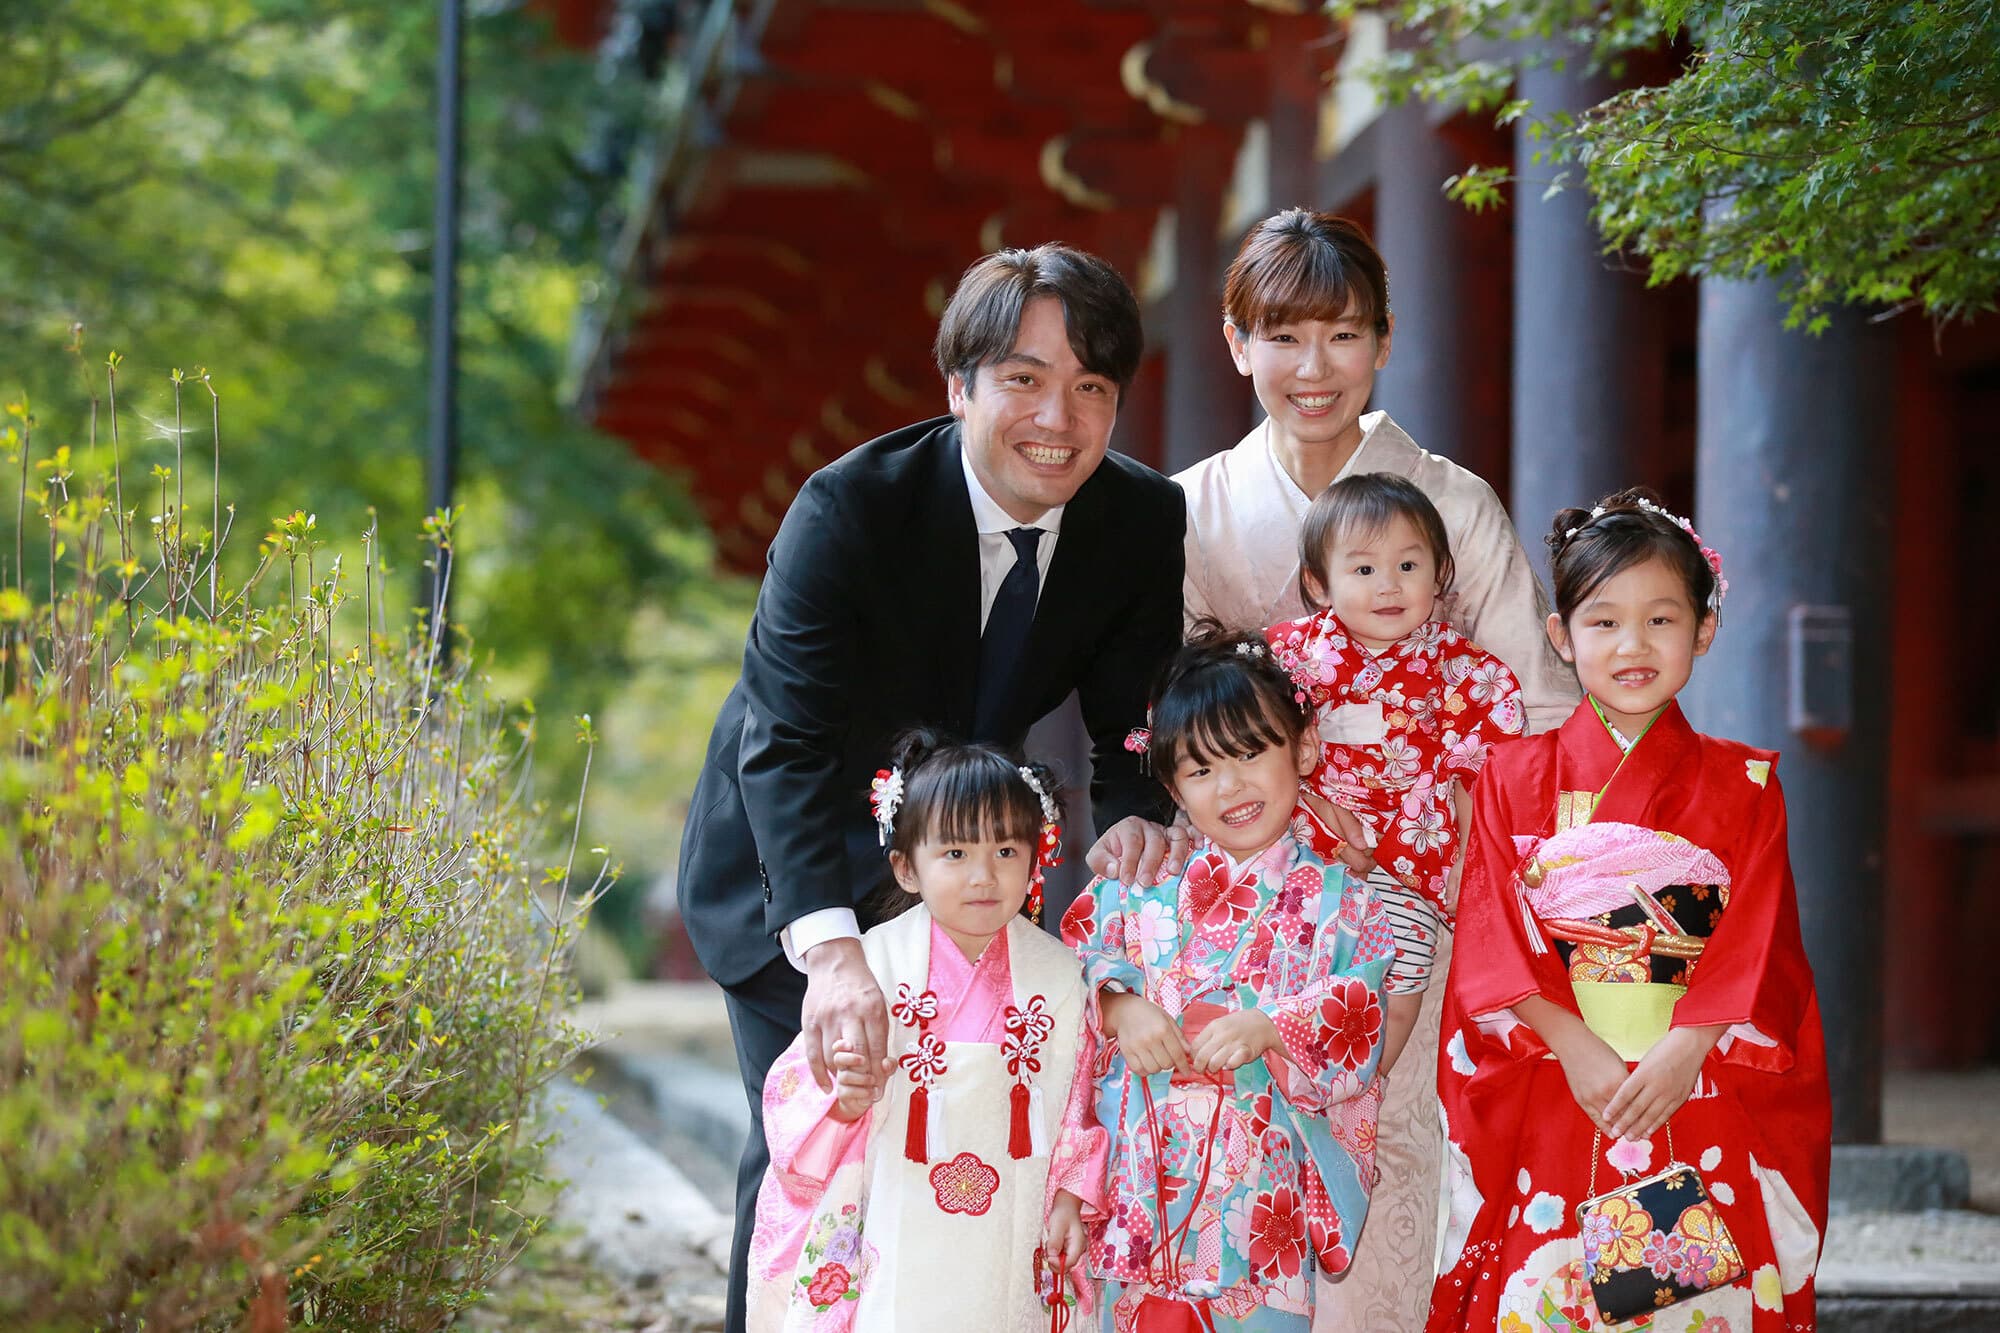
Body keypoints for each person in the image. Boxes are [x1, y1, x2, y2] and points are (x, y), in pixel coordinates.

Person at [678, 242, 1185, 1333]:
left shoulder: (1137, 519)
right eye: (1023, 379)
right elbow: (786, 742)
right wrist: (830, 954)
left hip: (966, 875)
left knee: (980, 1176)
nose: (1058, 417)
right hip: (794, 862)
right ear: (958, 386)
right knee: (814, 1166)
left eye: (1091, 388)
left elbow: (1128, 723)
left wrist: (1140, 820)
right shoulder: (848, 508)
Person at [1141, 207, 1579, 1333]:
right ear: (1235, 343)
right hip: (1243, 893)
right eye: (1280, 337)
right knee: (1235, 1125)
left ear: (1382, 341)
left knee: (1388, 1133)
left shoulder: (1451, 499)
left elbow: (1532, 706)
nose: (1311, 368)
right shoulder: (1190, 510)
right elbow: (1161, 713)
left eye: (1339, 335)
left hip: (1416, 881)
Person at [1426, 489, 1831, 1331]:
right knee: (1550, 1295)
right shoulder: (1510, 775)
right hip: (1562, 1076)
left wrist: (1686, 1044)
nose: (1632, 644)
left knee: (1695, 1303)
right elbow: (1491, 935)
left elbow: (1761, 940)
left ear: (1704, 631)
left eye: (1661, 619)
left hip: (1696, 1077)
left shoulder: (1745, 782)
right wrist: (1573, 1042)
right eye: (1603, 621)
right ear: (1561, 636)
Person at [1061, 627, 1394, 1331]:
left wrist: (1274, 1026)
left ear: (1302, 747)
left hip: (1258, 1196)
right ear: (1171, 783)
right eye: (1202, 768)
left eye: (1252, 752)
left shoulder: (1346, 900)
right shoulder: (1145, 876)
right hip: (1140, 1184)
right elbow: (1081, 957)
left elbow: (1361, 1010)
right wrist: (1119, 1005)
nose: (1232, 785)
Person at [746, 733, 1107, 1331]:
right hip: (895, 1212)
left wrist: (1070, 1197)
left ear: (1036, 857)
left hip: (1015, 1224)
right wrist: (848, 1096)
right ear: (906, 867)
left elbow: (1079, 1103)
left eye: (1006, 852)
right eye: (956, 854)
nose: (984, 876)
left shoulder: (1061, 975)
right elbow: (798, 1094)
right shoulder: (871, 969)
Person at [1264, 472, 1526, 1082]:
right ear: (1318, 583)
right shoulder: (1287, 658)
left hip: (1410, 863)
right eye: (1363, 571)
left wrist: (1468, 870)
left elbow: (1478, 775)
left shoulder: (1467, 671)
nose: (1389, 586)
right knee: (1291, 964)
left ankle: (1364, 1083)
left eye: (1408, 566)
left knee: (1403, 972)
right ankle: (1279, 1072)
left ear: (1440, 574)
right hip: (1301, 851)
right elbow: (1236, 736)